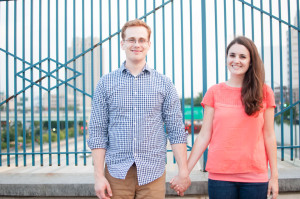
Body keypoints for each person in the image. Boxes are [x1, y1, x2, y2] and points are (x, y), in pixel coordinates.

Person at [87, 19, 191, 199]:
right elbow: (97, 131)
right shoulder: (105, 83)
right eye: (131, 39)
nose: (137, 44)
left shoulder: (164, 84)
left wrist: (183, 171)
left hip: (153, 174)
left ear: (149, 44)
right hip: (116, 174)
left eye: (142, 40)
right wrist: (98, 176)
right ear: (122, 43)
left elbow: (176, 130)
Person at [171, 36, 279, 199]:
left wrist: (275, 177)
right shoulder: (214, 92)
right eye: (232, 55)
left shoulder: (264, 92)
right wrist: (184, 172)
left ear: (251, 61)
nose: (236, 60)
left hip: (255, 177)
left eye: (243, 56)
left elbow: (269, 135)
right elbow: (204, 136)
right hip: (220, 178)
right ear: (227, 58)